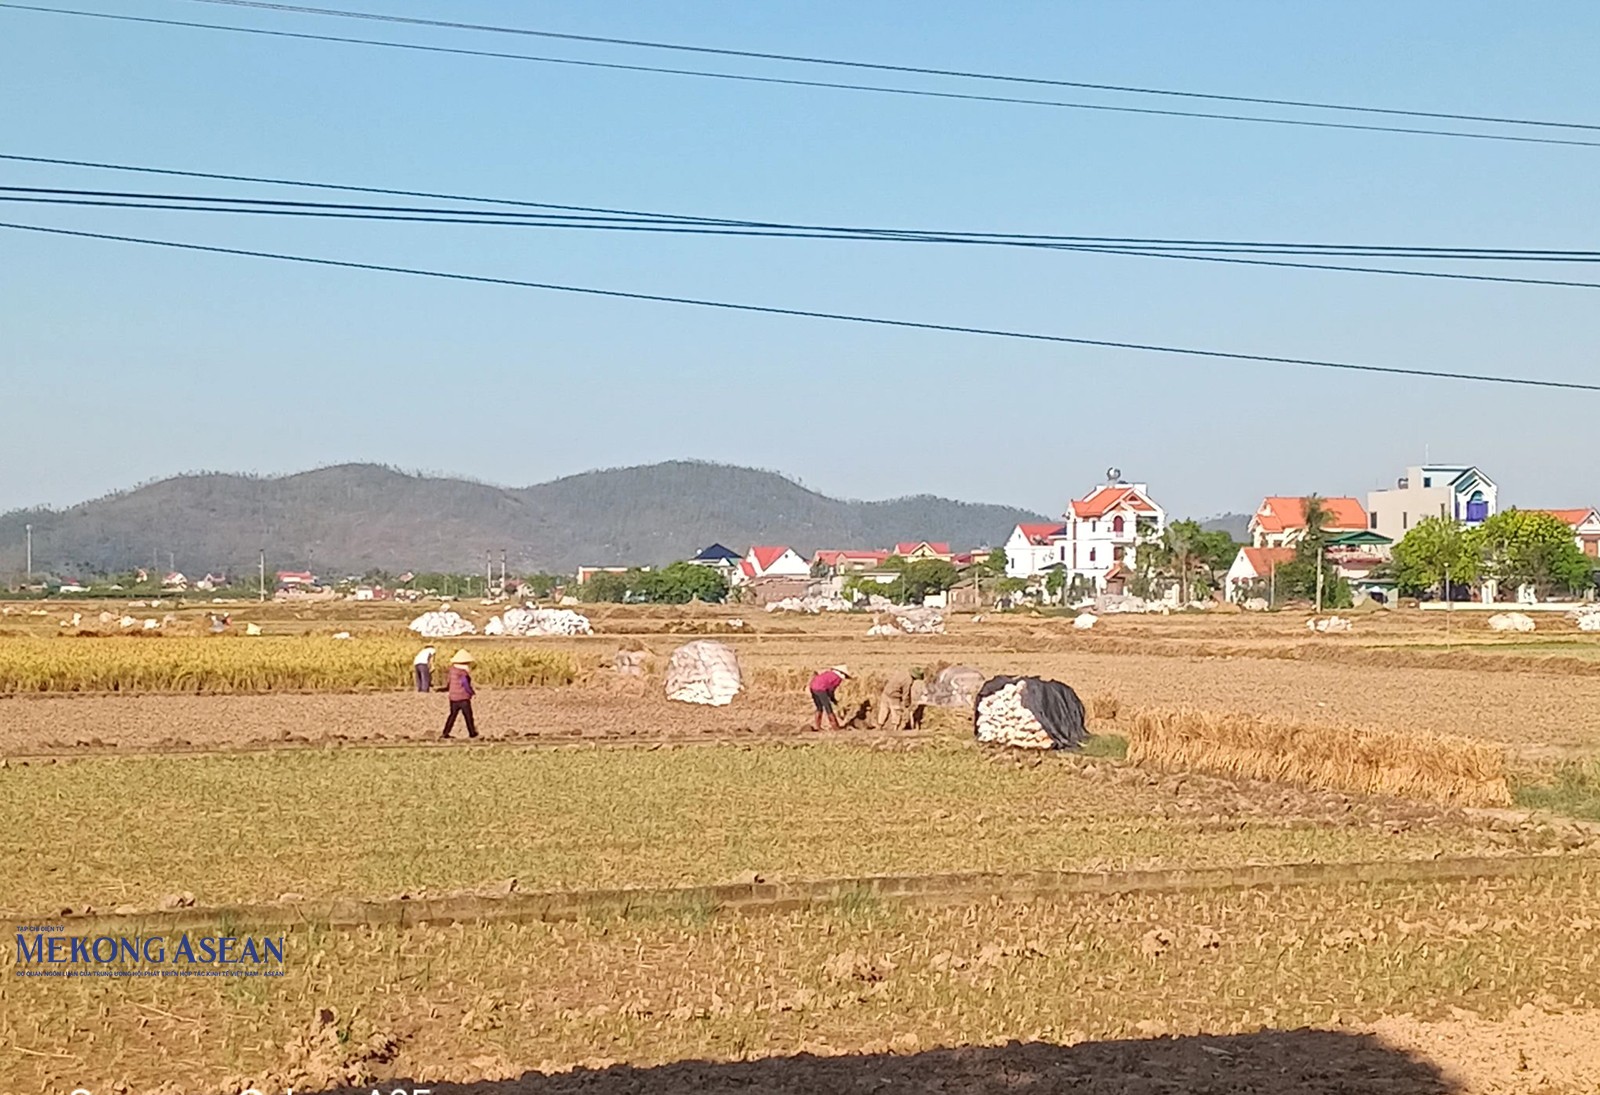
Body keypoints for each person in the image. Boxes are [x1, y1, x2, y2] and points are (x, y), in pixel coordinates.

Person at [874, 666, 925, 732]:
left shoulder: (903, 673)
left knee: (883, 711)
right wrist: (907, 704)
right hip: (894, 696)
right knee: (896, 713)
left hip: (886, 692)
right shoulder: (908, 681)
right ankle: (895, 730)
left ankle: (879, 726)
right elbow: (906, 693)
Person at [442, 649, 479, 739]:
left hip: (453, 697)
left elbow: (449, 683)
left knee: (452, 715)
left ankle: (445, 732)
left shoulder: (452, 671)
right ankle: (472, 733)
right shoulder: (462, 672)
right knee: (468, 716)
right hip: (463, 697)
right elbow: (465, 683)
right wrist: (470, 692)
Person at [808, 664, 850, 732]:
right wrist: (833, 699)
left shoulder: (829, 673)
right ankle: (835, 727)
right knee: (828, 709)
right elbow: (831, 690)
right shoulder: (837, 678)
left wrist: (832, 698)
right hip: (821, 689)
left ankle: (818, 727)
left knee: (819, 708)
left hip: (813, 687)